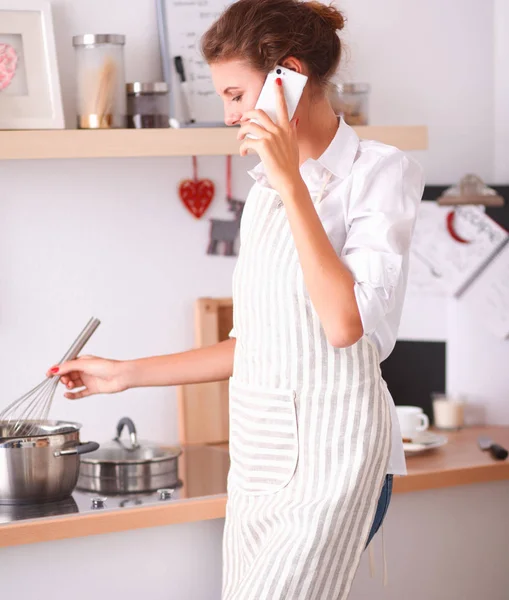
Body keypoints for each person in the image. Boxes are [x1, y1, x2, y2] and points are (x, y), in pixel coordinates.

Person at [49, 1, 424, 598]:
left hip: (339, 463)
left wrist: (291, 183)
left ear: (289, 77)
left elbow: (344, 325)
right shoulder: (264, 193)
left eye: (234, 94)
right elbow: (256, 345)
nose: (228, 116)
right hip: (260, 461)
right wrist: (124, 375)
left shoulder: (378, 174)